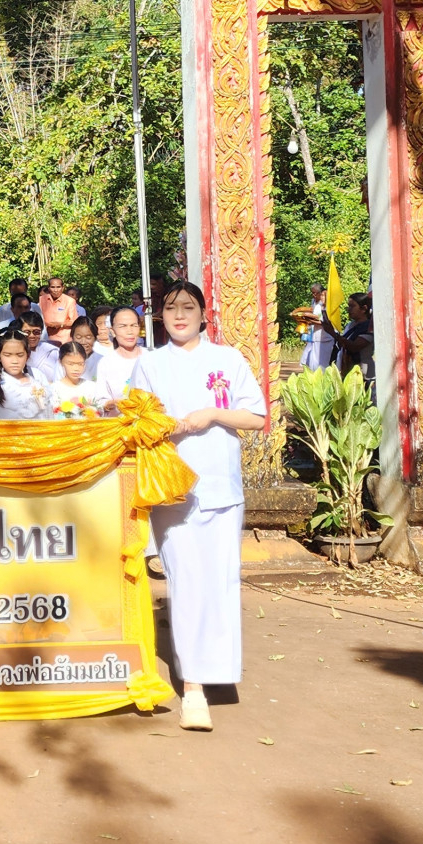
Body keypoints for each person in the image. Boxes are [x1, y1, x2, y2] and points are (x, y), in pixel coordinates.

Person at [130, 279, 267, 733]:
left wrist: (212, 414)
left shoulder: (227, 360)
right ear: (161, 317)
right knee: (186, 583)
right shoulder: (150, 365)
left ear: (203, 314)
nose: (179, 315)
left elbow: (257, 416)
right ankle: (193, 689)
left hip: (222, 487)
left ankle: (216, 670)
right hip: (173, 492)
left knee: (221, 581)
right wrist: (166, 427)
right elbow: (135, 423)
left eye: (188, 307)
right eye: (170, 309)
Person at [0, 328, 53, 419]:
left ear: (27, 356)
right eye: (7, 355)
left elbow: (49, 420)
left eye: (20, 355)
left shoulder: (38, 384)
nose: (14, 361)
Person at [91, 305, 146, 396]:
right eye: (123, 326)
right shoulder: (106, 363)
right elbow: (102, 399)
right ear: (112, 331)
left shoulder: (151, 357)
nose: (129, 331)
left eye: (134, 325)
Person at [47, 339, 105, 415]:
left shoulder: (92, 387)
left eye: (80, 364)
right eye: (70, 364)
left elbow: (100, 411)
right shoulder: (54, 389)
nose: (76, 368)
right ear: (61, 362)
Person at [337, 292, 376, 387]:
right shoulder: (350, 325)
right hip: (348, 371)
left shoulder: (368, 327)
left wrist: (332, 334)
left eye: (352, 306)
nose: (348, 309)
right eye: (348, 306)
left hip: (363, 373)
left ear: (364, 309)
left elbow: (354, 347)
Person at [300, 292, 338, 372]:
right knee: (314, 364)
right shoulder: (318, 307)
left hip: (327, 339)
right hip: (316, 338)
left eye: (324, 296)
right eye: (321, 295)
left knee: (324, 365)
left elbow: (325, 322)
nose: (322, 297)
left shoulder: (332, 309)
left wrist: (310, 318)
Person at [38, 275, 80, 347]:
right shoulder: (42, 299)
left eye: (58, 287)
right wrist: (46, 323)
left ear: (62, 288)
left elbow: (74, 321)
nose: (55, 290)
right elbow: (37, 317)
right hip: (44, 338)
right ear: (49, 288)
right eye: (53, 287)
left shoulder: (70, 301)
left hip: (64, 340)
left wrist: (60, 324)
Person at [20, 309, 59, 383]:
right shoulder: (14, 353)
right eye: (27, 332)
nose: (32, 336)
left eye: (36, 332)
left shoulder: (53, 352)